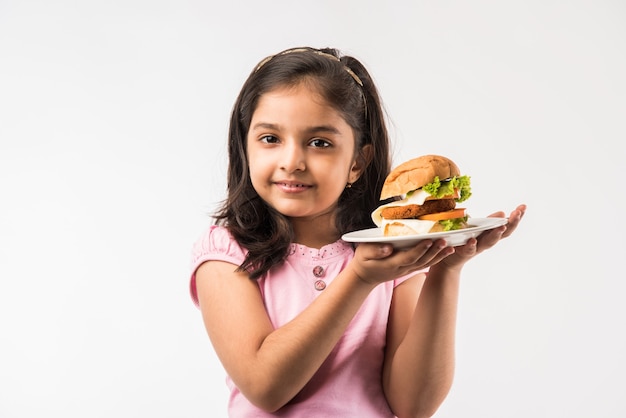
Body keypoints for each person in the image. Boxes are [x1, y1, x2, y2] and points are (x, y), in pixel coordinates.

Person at [189, 46, 526, 417]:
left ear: (357, 162)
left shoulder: (393, 249)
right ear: (246, 147)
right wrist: (359, 279)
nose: (292, 162)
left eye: (320, 143)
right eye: (270, 139)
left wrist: (446, 266)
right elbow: (266, 387)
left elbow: (414, 404)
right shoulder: (225, 252)